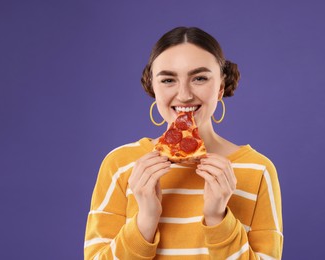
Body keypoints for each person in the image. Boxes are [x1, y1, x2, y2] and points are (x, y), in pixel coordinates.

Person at [84, 26, 283, 260]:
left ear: (220, 87)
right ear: (153, 87)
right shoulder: (120, 164)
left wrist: (217, 218)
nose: (184, 95)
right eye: (168, 80)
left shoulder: (258, 170)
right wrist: (146, 219)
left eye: (199, 78)